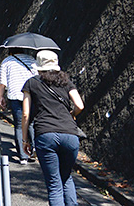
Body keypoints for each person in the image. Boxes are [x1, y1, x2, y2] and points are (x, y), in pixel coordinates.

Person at [22, 50, 84, 206]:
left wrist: (25, 139)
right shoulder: (66, 82)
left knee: (54, 184)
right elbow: (80, 105)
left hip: (45, 134)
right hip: (70, 134)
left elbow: (25, 114)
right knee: (66, 177)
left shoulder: (31, 83)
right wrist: (72, 114)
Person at [0, 47, 38, 164]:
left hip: (15, 95)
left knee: (19, 125)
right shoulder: (31, 59)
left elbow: (2, 81)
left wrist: (1, 97)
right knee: (31, 123)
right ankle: (34, 148)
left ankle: (23, 156)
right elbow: (37, 77)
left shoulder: (7, 61)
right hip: (30, 95)